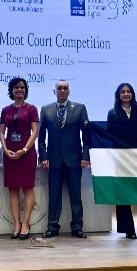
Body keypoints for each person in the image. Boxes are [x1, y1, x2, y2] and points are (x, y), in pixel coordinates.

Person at [38, 79, 90, 238]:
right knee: (54, 195)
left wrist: (85, 156)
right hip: (53, 160)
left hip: (74, 159)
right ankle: (52, 226)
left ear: (69, 91)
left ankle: (77, 227)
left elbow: (86, 136)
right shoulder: (46, 109)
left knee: (75, 195)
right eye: (59, 88)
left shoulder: (80, 108)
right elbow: (41, 136)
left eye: (65, 88)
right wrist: (43, 157)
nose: (62, 90)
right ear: (55, 91)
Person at [107, 83, 137, 240]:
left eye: (128, 91)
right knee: (124, 192)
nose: (126, 94)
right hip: (121, 157)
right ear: (118, 95)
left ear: (132, 94)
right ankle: (128, 229)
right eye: (123, 92)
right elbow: (110, 134)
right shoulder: (112, 113)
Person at [0, 77, 39, 241]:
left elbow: (35, 131)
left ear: (25, 90)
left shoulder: (31, 109)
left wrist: (24, 150)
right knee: (13, 189)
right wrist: (5, 149)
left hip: (27, 153)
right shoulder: (5, 110)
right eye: (16, 87)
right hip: (10, 153)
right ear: (12, 90)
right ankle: (16, 224)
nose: (19, 89)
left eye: (22, 87)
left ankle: (25, 224)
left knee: (28, 188)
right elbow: (1, 132)